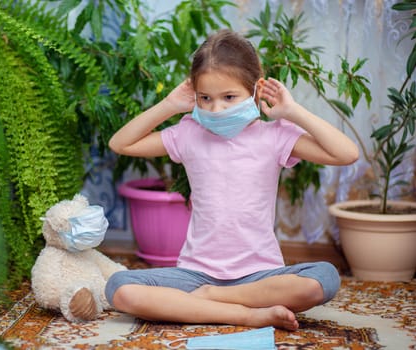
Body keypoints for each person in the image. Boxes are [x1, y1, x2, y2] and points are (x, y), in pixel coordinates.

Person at [106, 29, 359, 331]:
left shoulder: (275, 136)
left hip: (260, 276)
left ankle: (213, 299)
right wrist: (169, 105)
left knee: (324, 278)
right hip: (195, 275)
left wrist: (292, 111)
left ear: (255, 89)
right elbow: (120, 144)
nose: (217, 108)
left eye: (229, 97)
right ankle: (245, 314)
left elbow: (347, 153)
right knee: (119, 287)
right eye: (205, 98)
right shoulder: (188, 134)